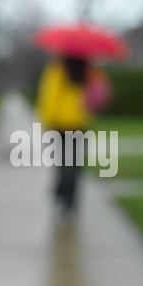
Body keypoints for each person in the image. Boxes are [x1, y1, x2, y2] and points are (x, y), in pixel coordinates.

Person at [36, 56, 111, 218]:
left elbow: (50, 96)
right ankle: (70, 200)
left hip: (60, 124)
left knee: (63, 162)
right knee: (75, 164)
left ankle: (62, 195)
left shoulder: (57, 69)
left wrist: (46, 121)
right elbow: (100, 91)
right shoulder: (90, 69)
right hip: (80, 123)